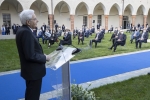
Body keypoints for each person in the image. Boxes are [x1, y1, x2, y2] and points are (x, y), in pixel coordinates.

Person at [15, 9, 50, 100]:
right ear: (28, 22)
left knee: (31, 94)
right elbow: (30, 55)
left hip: (30, 71)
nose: (37, 21)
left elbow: (30, 50)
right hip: (33, 72)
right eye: (35, 19)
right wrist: (44, 57)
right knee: (33, 96)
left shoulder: (22, 30)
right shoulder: (26, 32)